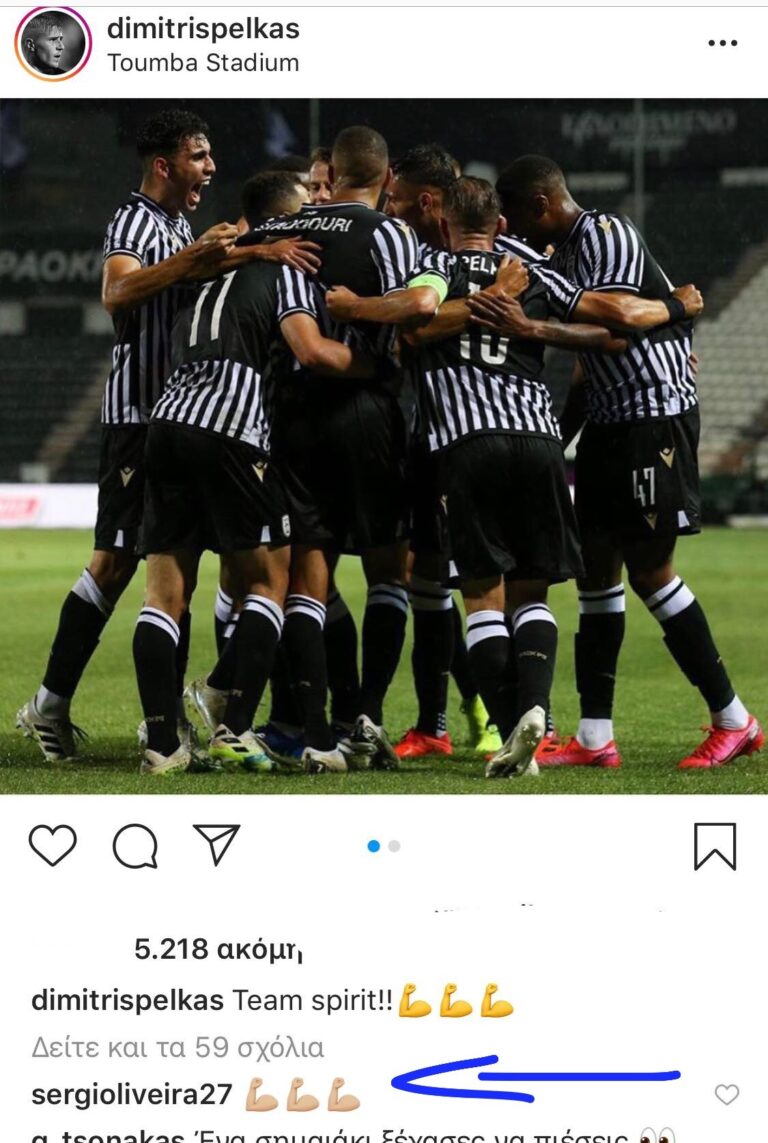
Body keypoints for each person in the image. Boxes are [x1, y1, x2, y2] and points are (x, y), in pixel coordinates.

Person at [17, 110, 320, 764]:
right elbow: (117, 291)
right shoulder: (136, 220)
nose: (211, 167)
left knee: (175, 569)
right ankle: (50, 703)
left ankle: (168, 723)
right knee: (115, 564)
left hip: (179, 415)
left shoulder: (180, 227)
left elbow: (200, 272)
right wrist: (194, 259)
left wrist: (255, 251)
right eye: (199, 156)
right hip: (138, 414)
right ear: (164, 164)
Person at [494, 154, 762, 769]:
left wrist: (532, 328)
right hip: (610, 421)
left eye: (520, 219)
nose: (519, 232)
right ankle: (595, 737)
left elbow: (616, 326)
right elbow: (589, 364)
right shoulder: (566, 255)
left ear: (540, 205)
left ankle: (734, 719)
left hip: (653, 416)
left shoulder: (605, 233)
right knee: (595, 573)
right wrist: (557, 438)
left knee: (651, 570)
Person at [136, 172, 373, 774]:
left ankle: (162, 745)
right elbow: (312, 351)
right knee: (271, 581)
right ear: (286, 221)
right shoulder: (286, 268)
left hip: (167, 422)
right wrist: (377, 365)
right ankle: (234, 727)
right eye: (306, 209)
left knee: (164, 595)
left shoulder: (206, 270)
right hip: (232, 429)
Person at [239, 125, 421, 772]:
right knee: (388, 571)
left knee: (308, 578)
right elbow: (413, 318)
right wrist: (378, 361)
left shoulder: (296, 232)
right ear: (387, 178)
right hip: (371, 413)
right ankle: (365, 717)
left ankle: (317, 736)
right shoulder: (393, 234)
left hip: (299, 414)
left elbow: (304, 343)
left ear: (333, 174)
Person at [383, 143, 502, 759]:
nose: (390, 211)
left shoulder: (493, 255)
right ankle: (437, 722)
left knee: (493, 583)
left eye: (398, 201)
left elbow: (417, 324)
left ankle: (504, 712)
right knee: (424, 573)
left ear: (429, 202)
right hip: (430, 434)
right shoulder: (420, 257)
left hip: (485, 436)